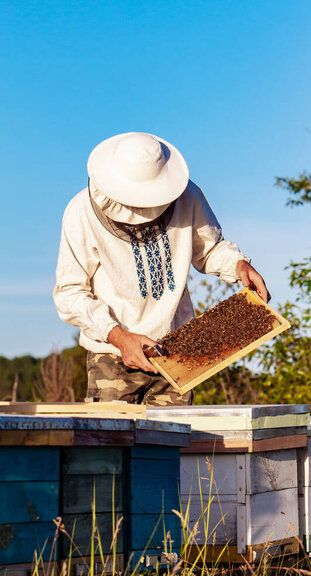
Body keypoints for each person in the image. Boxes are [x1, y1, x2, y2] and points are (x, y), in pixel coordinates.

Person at [53, 132, 269, 405]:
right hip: (112, 354)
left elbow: (210, 248)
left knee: (170, 445)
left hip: (177, 351)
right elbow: (70, 293)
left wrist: (238, 265)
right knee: (110, 444)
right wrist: (118, 336)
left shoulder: (187, 196)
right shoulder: (80, 212)